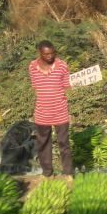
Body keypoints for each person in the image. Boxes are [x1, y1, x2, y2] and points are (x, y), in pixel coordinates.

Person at [29, 40, 73, 177]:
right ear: (40, 53)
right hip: (42, 113)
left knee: (64, 144)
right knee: (43, 144)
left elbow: (67, 84)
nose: (50, 56)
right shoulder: (32, 67)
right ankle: (47, 173)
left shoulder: (62, 66)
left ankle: (68, 173)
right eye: (46, 54)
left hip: (60, 111)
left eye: (52, 53)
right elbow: (36, 86)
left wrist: (78, 82)